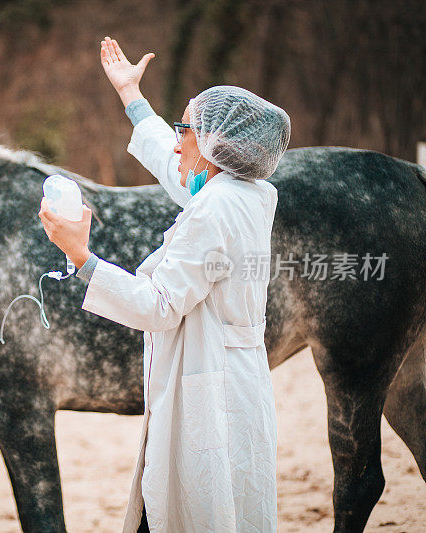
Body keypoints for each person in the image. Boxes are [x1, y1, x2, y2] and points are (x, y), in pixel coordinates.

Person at [39, 37, 290, 532]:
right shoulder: (247, 191)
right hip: (232, 385)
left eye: (186, 128)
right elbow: (177, 168)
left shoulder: (214, 209)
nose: (178, 139)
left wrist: (80, 257)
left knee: (192, 511)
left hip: (207, 388)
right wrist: (133, 98)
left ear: (217, 142)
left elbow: (158, 307)